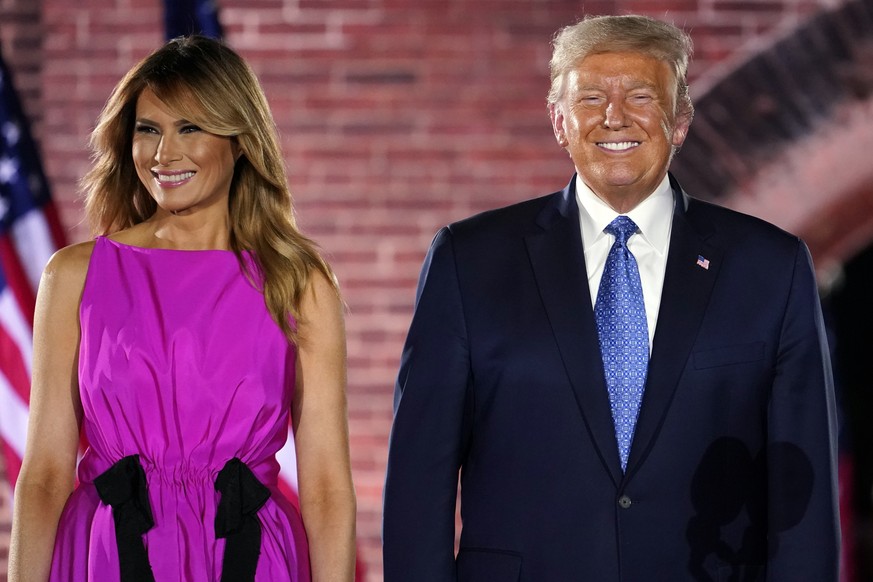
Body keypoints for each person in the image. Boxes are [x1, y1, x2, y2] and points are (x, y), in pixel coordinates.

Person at [383, 14, 839, 581]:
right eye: (591, 96)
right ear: (558, 121)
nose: (614, 116)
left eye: (642, 96)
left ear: (680, 122)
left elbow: (805, 492)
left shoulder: (771, 267)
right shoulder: (468, 261)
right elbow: (417, 483)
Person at [9, 36, 356, 581]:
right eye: (149, 129)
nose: (163, 153)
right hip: (106, 556)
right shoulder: (74, 276)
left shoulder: (298, 285)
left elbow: (327, 488)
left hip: (248, 558)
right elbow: (46, 474)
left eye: (189, 128)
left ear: (240, 140)